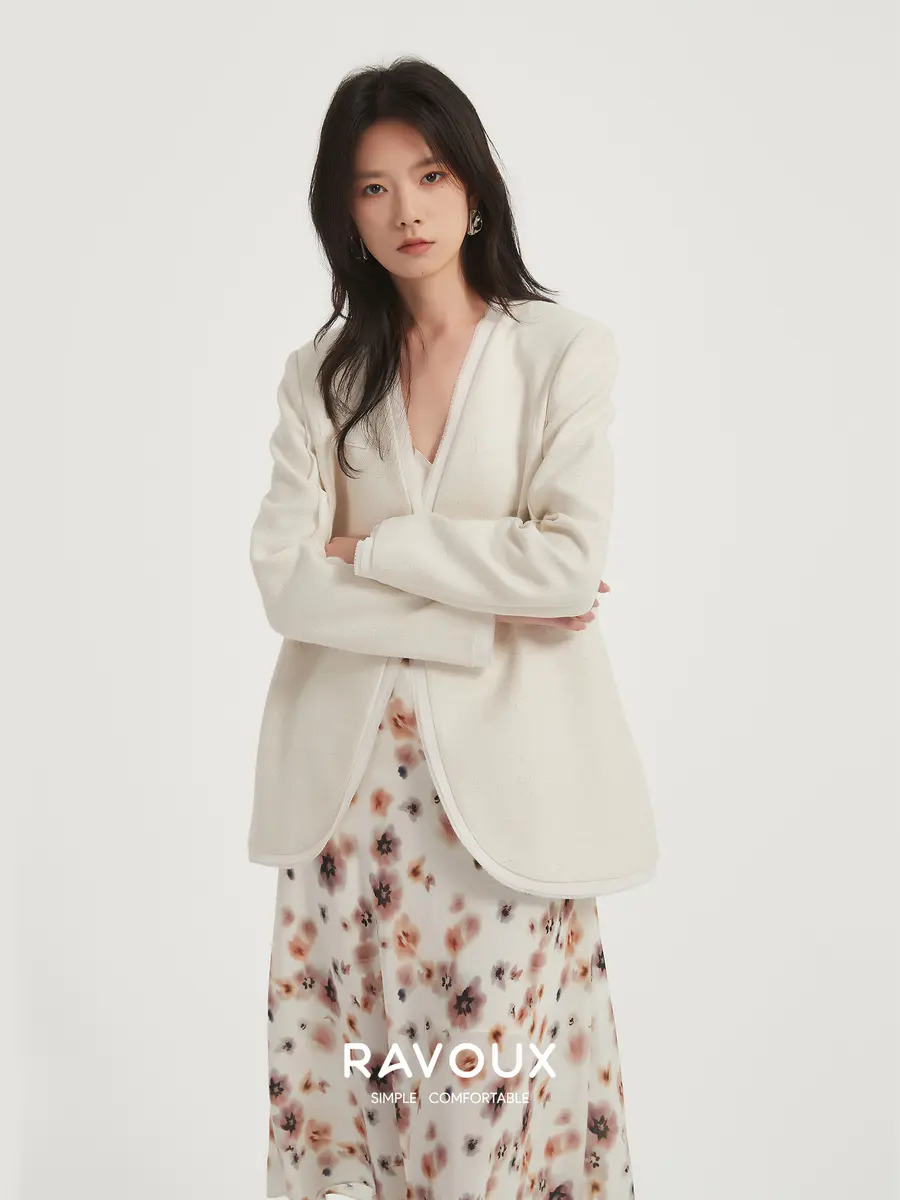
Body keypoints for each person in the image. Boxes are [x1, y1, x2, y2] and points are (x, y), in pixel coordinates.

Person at [250, 56, 657, 1200]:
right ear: (345, 212)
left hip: (505, 815)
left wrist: (372, 548)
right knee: (348, 1119)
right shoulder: (320, 377)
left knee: (480, 1122)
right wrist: (484, 613)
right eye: (373, 188)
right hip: (347, 815)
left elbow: (565, 561)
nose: (407, 211)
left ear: (474, 188)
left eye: (429, 176)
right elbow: (283, 582)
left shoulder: (562, 353)